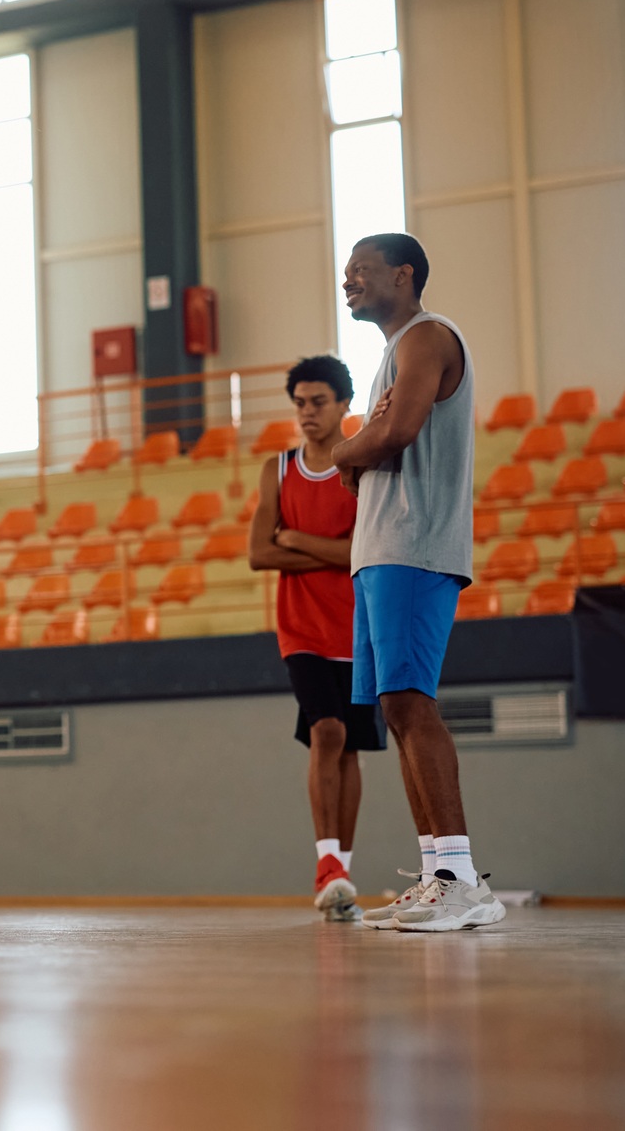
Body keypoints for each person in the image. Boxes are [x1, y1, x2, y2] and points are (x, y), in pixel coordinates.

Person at [331, 232, 504, 932]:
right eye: (345, 274)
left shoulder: (427, 337)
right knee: (397, 709)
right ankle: (439, 871)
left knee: (413, 702)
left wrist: (347, 448)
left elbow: (394, 434)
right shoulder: (395, 351)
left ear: (403, 275)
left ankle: (461, 879)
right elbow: (375, 438)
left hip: (413, 544)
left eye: (361, 271)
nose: (349, 282)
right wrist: (358, 444)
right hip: (380, 549)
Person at [248, 355, 387, 922]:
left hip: (358, 628)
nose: (307, 413)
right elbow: (259, 552)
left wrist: (296, 538)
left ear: (343, 404)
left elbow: (360, 551)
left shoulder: (362, 465)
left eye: (319, 402)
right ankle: (326, 862)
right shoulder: (277, 469)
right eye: (300, 403)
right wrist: (324, 549)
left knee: (350, 747)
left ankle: (342, 874)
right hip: (301, 629)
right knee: (326, 730)